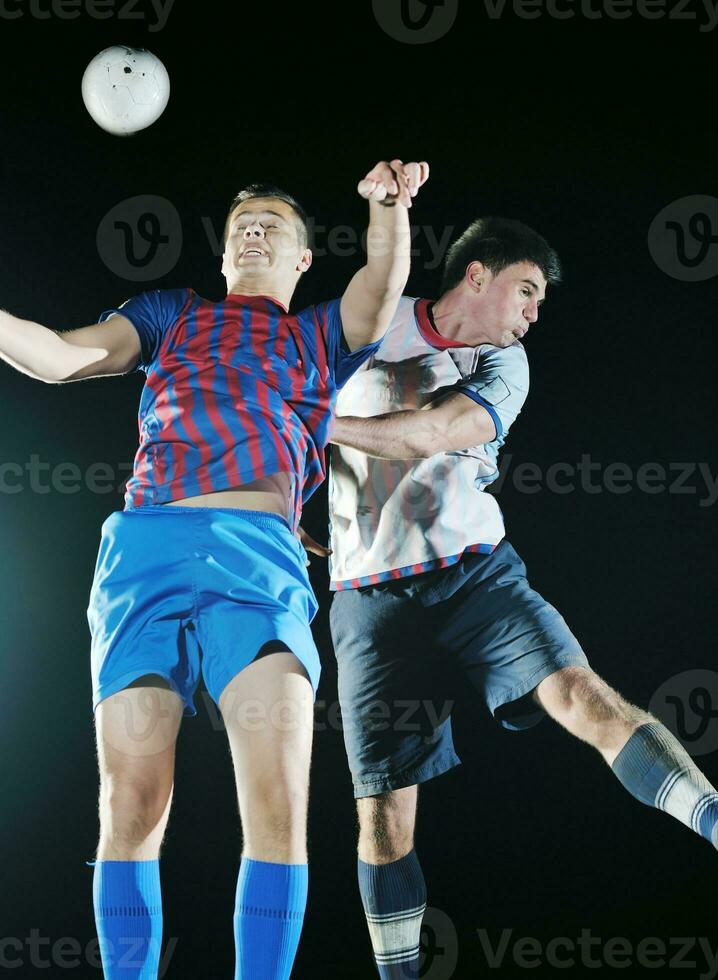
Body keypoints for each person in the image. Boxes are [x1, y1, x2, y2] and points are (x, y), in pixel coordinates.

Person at [0, 158, 430, 980]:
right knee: (129, 805)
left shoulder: (318, 333)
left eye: (273, 222)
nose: (254, 229)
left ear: (304, 259)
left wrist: (388, 207)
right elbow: (58, 357)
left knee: (277, 807)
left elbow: (382, 279)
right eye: (242, 224)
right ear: (225, 251)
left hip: (256, 565)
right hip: (143, 557)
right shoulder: (171, 314)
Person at [324, 216, 718, 979]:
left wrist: (318, 422)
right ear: (477, 274)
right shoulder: (368, 327)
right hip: (370, 603)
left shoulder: (506, 362)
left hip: (477, 578)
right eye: (527, 291)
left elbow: (432, 433)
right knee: (382, 817)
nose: (533, 313)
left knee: (581, 694)